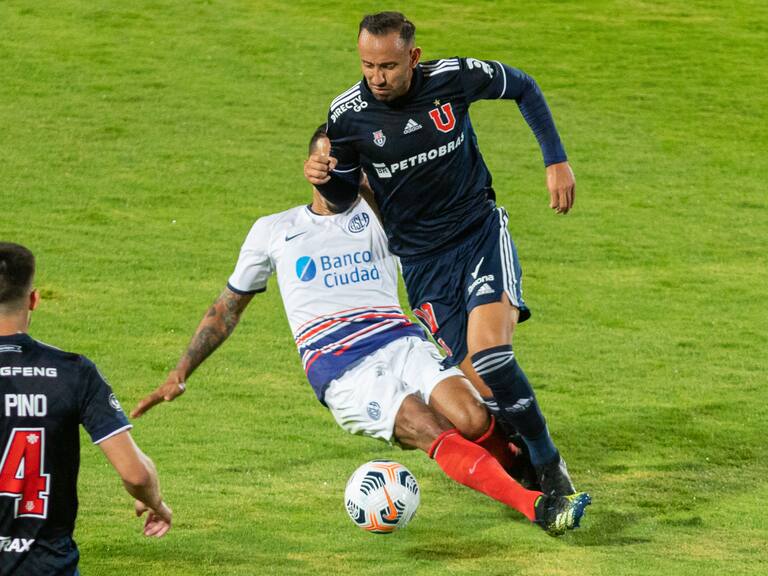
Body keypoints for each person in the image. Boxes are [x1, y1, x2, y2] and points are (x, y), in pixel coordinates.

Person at [132, 128, 590, 536]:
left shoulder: (380, 214)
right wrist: (180, 371)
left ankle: (522, 467)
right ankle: (537, 507)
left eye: (347, 166)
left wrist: (369, 181)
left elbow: (418, 212)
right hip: (341, 368)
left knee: (473, 419)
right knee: (428, 427)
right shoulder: (274, 230)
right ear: (311, 168)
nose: (339, 175)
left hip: (401, 340)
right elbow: (228, 306)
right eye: (329, 165)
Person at [304, 11, 578, 497]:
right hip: (422, 264)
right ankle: (519, 460)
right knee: (482, 390)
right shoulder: (346, 115)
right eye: (367, 65)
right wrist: (326, 176)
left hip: (476, 234)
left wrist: (555, 160)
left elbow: (524, 86)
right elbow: (347, 196)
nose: (376, 78)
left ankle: (548, 461)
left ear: (413, 57)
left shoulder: (452, 79)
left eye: (387, 66)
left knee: (492, 355)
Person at [0, 243, 172, 576]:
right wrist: (155, 501)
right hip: (47, 567)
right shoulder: (73, 372)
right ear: (33, 299)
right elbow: (135, 474)